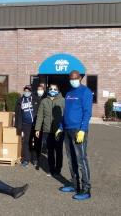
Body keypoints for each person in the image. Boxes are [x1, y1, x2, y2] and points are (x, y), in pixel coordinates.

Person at [56, 70, 93, 200]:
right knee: (71, 159)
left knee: (81, 159)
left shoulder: (85, 92)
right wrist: (61, 127)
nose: (73, 80)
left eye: (75, 78)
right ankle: (74, 184)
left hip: (78, 130)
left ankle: (86, 189)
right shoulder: (69, 93)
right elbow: (66, 112)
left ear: (80, 78)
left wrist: (83, 129)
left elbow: (87, 112)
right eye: (71, 78)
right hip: (67, 130)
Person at [35, 84, 65, 176]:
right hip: (47, 131)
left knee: (59, 151)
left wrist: (63, 127)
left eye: (54, 89)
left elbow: (65, 115)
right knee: (50, 151)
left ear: (58, 90)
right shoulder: (44, 101)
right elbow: (40, 116)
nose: (52, 90)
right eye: (51, 89)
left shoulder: (63, 100)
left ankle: (58, 170)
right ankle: (51, 169)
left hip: (59, 130)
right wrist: (37, 128)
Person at [15, 85, 40, 167]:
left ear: (31, 91)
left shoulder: (36, 99)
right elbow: (18, 114)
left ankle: (35, 159)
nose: (26, 92)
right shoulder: (20, 100)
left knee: (35, 142)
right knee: (26, 142)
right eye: (25, 90)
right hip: (25, 125)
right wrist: (18, 127)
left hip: (35, 124)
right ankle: (26, 159)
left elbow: (40, 111)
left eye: (28, 90)